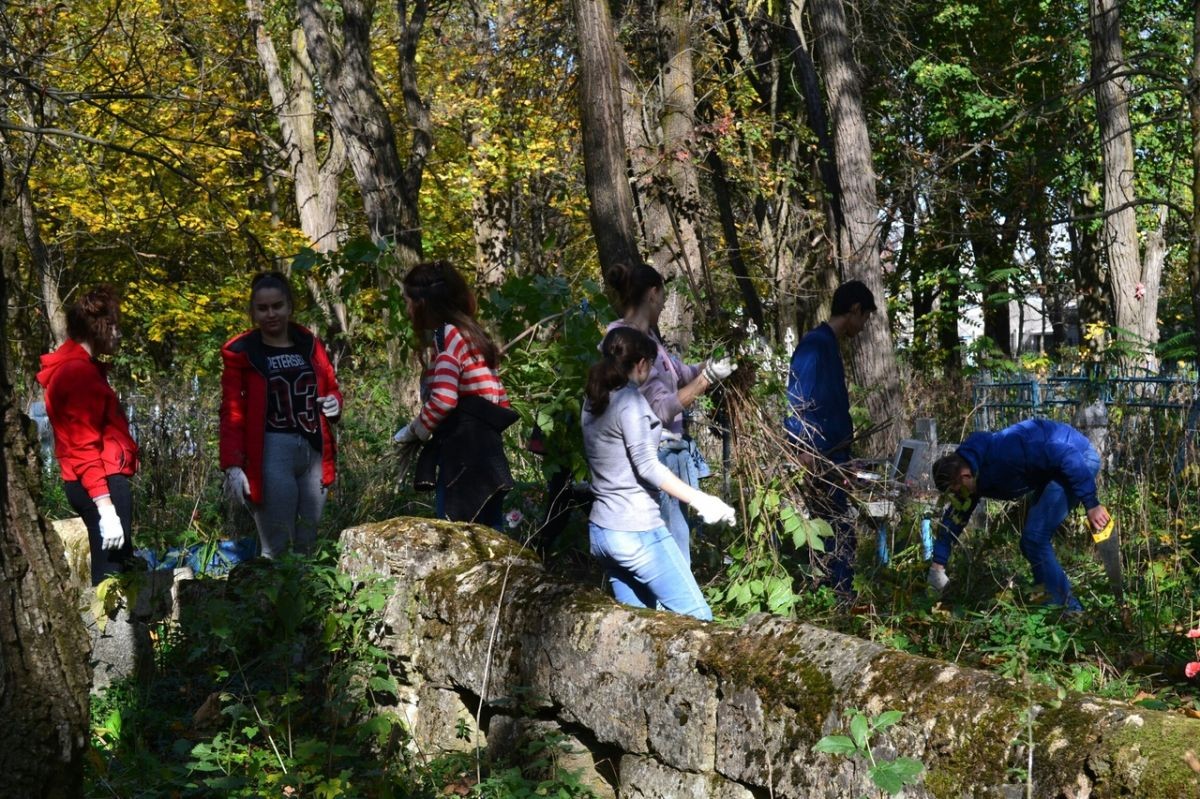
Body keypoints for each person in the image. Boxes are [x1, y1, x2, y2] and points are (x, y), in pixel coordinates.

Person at [583, 327, 738, 620]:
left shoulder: (594, 399)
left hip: (603, 532)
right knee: (699, 620)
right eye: (651, 365)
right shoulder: (630, 401)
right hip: (637, 531)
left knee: (640, 628)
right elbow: (647, 466)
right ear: (641, 364)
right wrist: (701, 500)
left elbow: (618, 446)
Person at [604, 261, 736, 566]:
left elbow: (680, 372)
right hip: (656, 456)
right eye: (662, 297)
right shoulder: (622, 342)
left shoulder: (651, 342)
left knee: (678, 543)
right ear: (652, 294)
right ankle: (673, 612)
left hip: (672, 454)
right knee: (671, 553)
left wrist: (709, 365)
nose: (664, 305)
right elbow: (660, 411)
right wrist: (707, 381)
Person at [928, 418, 1111, 612]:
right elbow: (956, 516)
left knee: (1034, 539)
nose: (959, 498)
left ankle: (1067, 611)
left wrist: (1092, 504)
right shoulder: (972, 470)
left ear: (965, 475)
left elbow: (1067, 455)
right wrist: (937, 567)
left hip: (1077, 458)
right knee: (1030, 543)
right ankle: (1050, 600)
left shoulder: (1007, 454)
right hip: (1052, 469)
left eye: (957, 492)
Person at [220, 271, 342, 558]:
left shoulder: (309, 344)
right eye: (262, 308)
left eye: (277, 306)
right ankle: (272, 603)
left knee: (308, 542)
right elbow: (231, 411)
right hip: (271, 452)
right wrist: (232, 465)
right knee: (277, 547)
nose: (271, 314)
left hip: (313, 450)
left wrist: (335, 402)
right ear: (253, 312)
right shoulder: (242, 353)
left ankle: (309, 601)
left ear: (289, 306)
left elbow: (331, 386)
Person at [393, 260, 517, 528]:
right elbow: (500, 398)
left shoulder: (447, 336)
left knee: (457, 532)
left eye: (408, 301)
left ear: (423, 303)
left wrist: (416, 429)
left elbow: (445, 398)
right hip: (490, 453)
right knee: (492, 531)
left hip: (463, 456)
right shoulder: (475, 334)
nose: (407, 309)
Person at [37, 286, 139, 585]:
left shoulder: (83, 370)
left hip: (99, 482)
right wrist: (106, 508)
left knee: (123, 572)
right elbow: (82, 445)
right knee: (111, 581)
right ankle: (110, 633)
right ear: (102, 327)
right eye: (116, 327)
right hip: (100, 484)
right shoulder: (77, 374)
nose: (119, 335)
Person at [783, 279, 876, 599]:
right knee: (839, 532)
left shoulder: (829, 346)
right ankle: (839, 599)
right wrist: (804, 452)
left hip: (835, 456)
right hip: (820, 458)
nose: (863, 327)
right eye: (864, 319)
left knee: (840, 532)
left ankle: (837, 596)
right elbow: (797, 399)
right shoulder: (815, 345)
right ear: (854, 310)